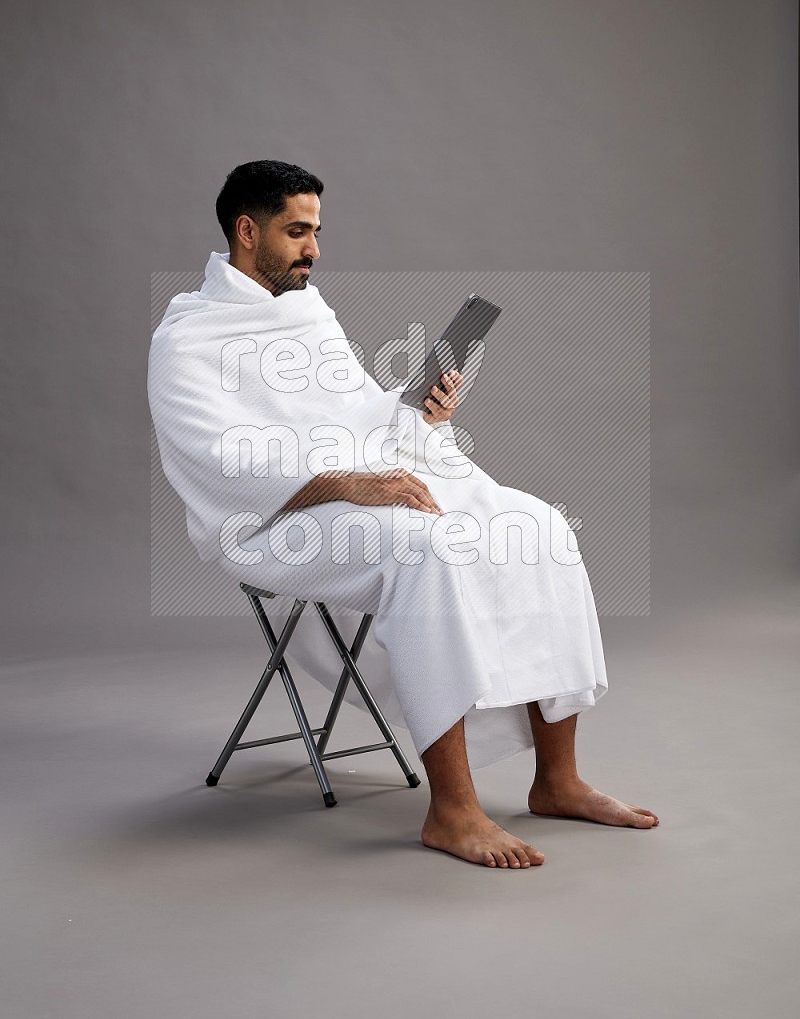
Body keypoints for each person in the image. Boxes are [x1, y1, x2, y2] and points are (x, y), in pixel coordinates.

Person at [148, 159, 659, 869]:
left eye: (316, 232)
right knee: (427, 548)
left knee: (537, 527)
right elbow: (218, 459)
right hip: (269, 519)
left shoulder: (305, 309)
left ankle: (557, 779)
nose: (314, 249)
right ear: (246, 229)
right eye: (297, 232)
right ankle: (451, 810)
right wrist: (349, 483)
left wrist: (414, 410)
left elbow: (353, 410)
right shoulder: (187, 339)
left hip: (349, 491)